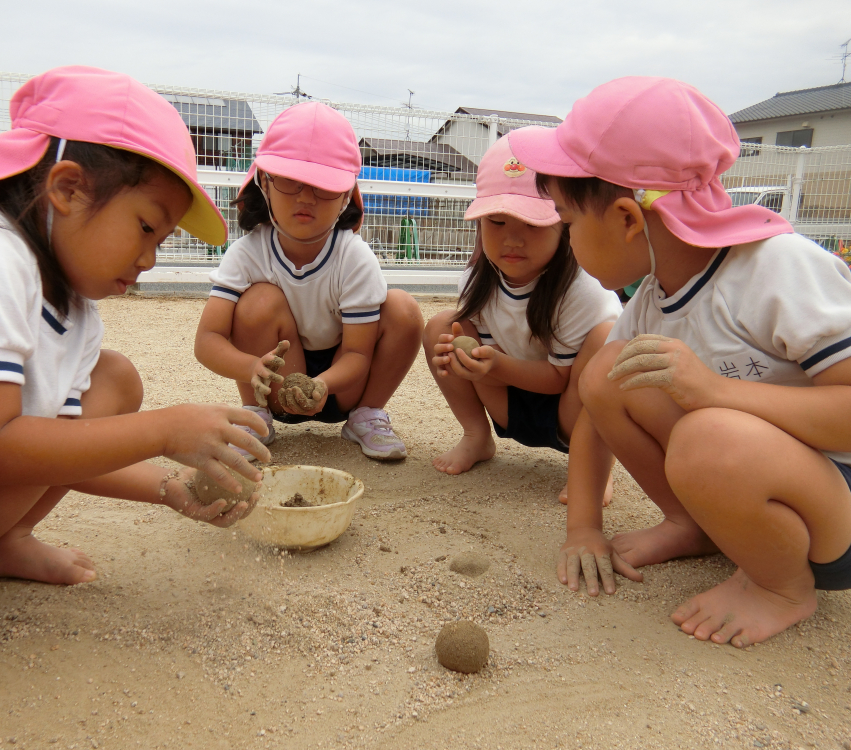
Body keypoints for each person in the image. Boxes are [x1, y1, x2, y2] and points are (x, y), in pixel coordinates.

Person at [0, 66, 271, 707]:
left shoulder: (76, 315)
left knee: (114, 381)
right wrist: (163, 429)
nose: (152, 257)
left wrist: (171, 489)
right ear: (69, 189)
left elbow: (62, 448)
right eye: (146, 227)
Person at [511, 76, 851, 648]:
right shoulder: (651, 299)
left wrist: (716, 393)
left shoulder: (775, 267)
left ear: (627, 219)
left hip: (834, 514)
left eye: (567, 224)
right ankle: (697, 525)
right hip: (751, 482)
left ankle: (782, 586)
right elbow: (597, 407)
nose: (566, 243)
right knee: (609, 372)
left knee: (707, 433)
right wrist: (584, 527)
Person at [194, 102, 424, 461]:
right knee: (258, 301)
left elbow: (357, 353)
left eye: (323, 185)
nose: (305, 196)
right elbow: (207, 340)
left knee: (403, 310)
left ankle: (367, 415)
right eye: (290, 180)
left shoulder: (354, 256)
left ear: (347, 195)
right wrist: (250, 368)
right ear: (264, 182)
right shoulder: (247, 253)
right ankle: (256, 414)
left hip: (345, 386)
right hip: (273, 383)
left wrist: (323, 385)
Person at [423, 136, 622, 504]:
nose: (513, 238)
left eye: (532, 224)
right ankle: (476, 436)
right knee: (442, 326)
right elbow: (484, 353)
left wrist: (493, 364)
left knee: (606, 339)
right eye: (497, 221)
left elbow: (559, 379)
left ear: (564, 224)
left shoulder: (583, 289)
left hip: (571, 412)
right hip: (509, 404)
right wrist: (463, 361)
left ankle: (594, 466)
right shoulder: (475, 280)